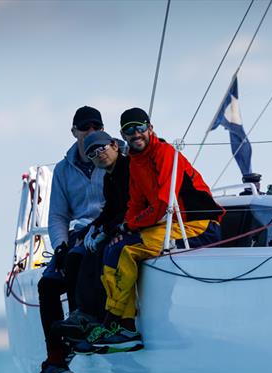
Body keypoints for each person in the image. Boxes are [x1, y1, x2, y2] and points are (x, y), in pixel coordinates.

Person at [75, 107, 224, 354]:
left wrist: (129, 226)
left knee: (125, 250)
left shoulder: (165, 154)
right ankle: (121, 326)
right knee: (113, 249)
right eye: (129, 130)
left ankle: (118, 325)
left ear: (150, 128)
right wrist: (124, 227)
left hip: (199, 226)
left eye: (140, 127)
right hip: (169, 226)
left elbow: (164, 204)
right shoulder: (134, 161)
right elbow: (135, 203)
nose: (136, 134)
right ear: (123, 135)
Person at [24, 106, 106, 373]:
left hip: (107, 228)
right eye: (85, 127)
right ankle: (56, 359)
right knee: (47, 284)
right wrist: (58, 246)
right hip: (76, 233)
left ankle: (81, 331)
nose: (91, 131)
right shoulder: (63, 169)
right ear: (74, 132)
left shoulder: (115, 157)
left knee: (76, 263)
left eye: (97, 126)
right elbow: (58, 215)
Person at [51, 130, 131, 345]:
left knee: (95, 255)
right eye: (93, 153)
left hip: (130, 225)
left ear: (115, 145)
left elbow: (128, 207)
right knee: (70, 260)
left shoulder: (127, 166)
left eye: (102, 148)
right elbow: (110, 209)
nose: (99, 154)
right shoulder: (107, 175)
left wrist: (106, 230)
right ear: (74, 131)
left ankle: (102, 319)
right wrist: (92, 230)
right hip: (102, 226)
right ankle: (76, 323)